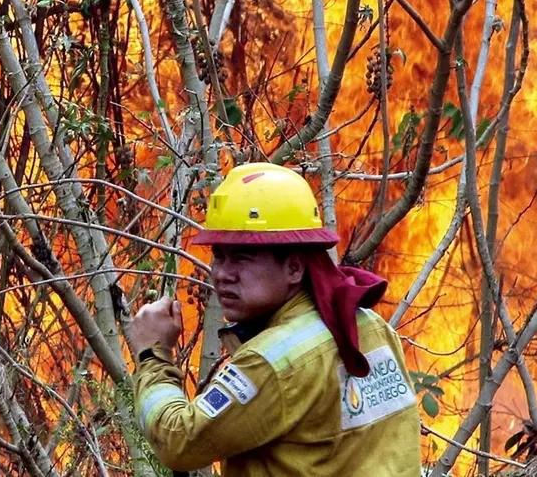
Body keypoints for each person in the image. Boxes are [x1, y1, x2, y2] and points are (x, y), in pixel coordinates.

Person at [130, 162, 422, 476]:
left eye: (242, 257)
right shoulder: (370, 325)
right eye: (219, 255)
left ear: (295, 268)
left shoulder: (269, 363)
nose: (222, 274)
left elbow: (180, 441)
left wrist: (152, 354)